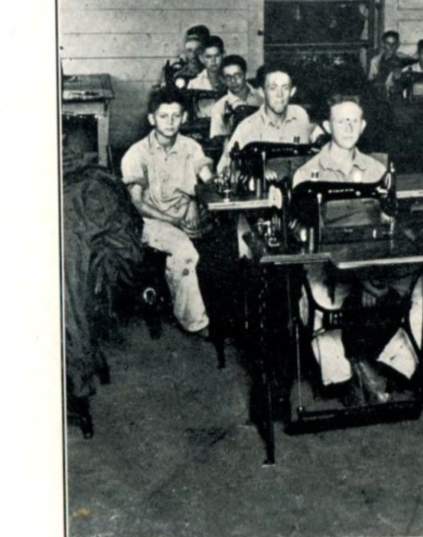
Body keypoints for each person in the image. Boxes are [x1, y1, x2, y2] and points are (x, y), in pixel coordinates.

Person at [292, 96, 423, 403]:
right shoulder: (307, 175)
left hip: (376, 261)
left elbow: (392, 227)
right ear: (327, 126)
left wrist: (374, 273)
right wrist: (360, 278)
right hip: (331, 265)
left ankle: (393, 363)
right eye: (342, 120)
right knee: (312, 299)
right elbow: (304, 237)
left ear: (364, 126)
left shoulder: (377, 171)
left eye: (355, 120)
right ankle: (343, 376)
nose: (349, 126)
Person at [120, 88, 214, 335]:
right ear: (152, 119)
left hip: (186, 214)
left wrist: (194, 202)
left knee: (226, 241)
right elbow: (138, 204)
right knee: (184, 252)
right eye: (164, 116)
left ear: (183, 117)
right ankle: (195, 322)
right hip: (152, 221)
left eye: (176, 116)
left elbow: (209, 182)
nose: (170, 122)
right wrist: (174, 220)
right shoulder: (136, 153)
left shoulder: (191, 147)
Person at [218, 67, 313, 173]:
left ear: (292, 91)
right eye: (273, 88)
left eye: (285, 88)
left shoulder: (300, 116)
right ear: (262, 92)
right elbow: (223, 168)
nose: (279, 95)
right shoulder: (247, 127)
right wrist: (255, 172)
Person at [209, 55, 263, 138]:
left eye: (237, 75)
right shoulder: (219, 108)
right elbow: (218, 139)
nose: (233, 81)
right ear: (223, 80)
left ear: (246, 75)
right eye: (228, 77)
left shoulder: (262, 98)